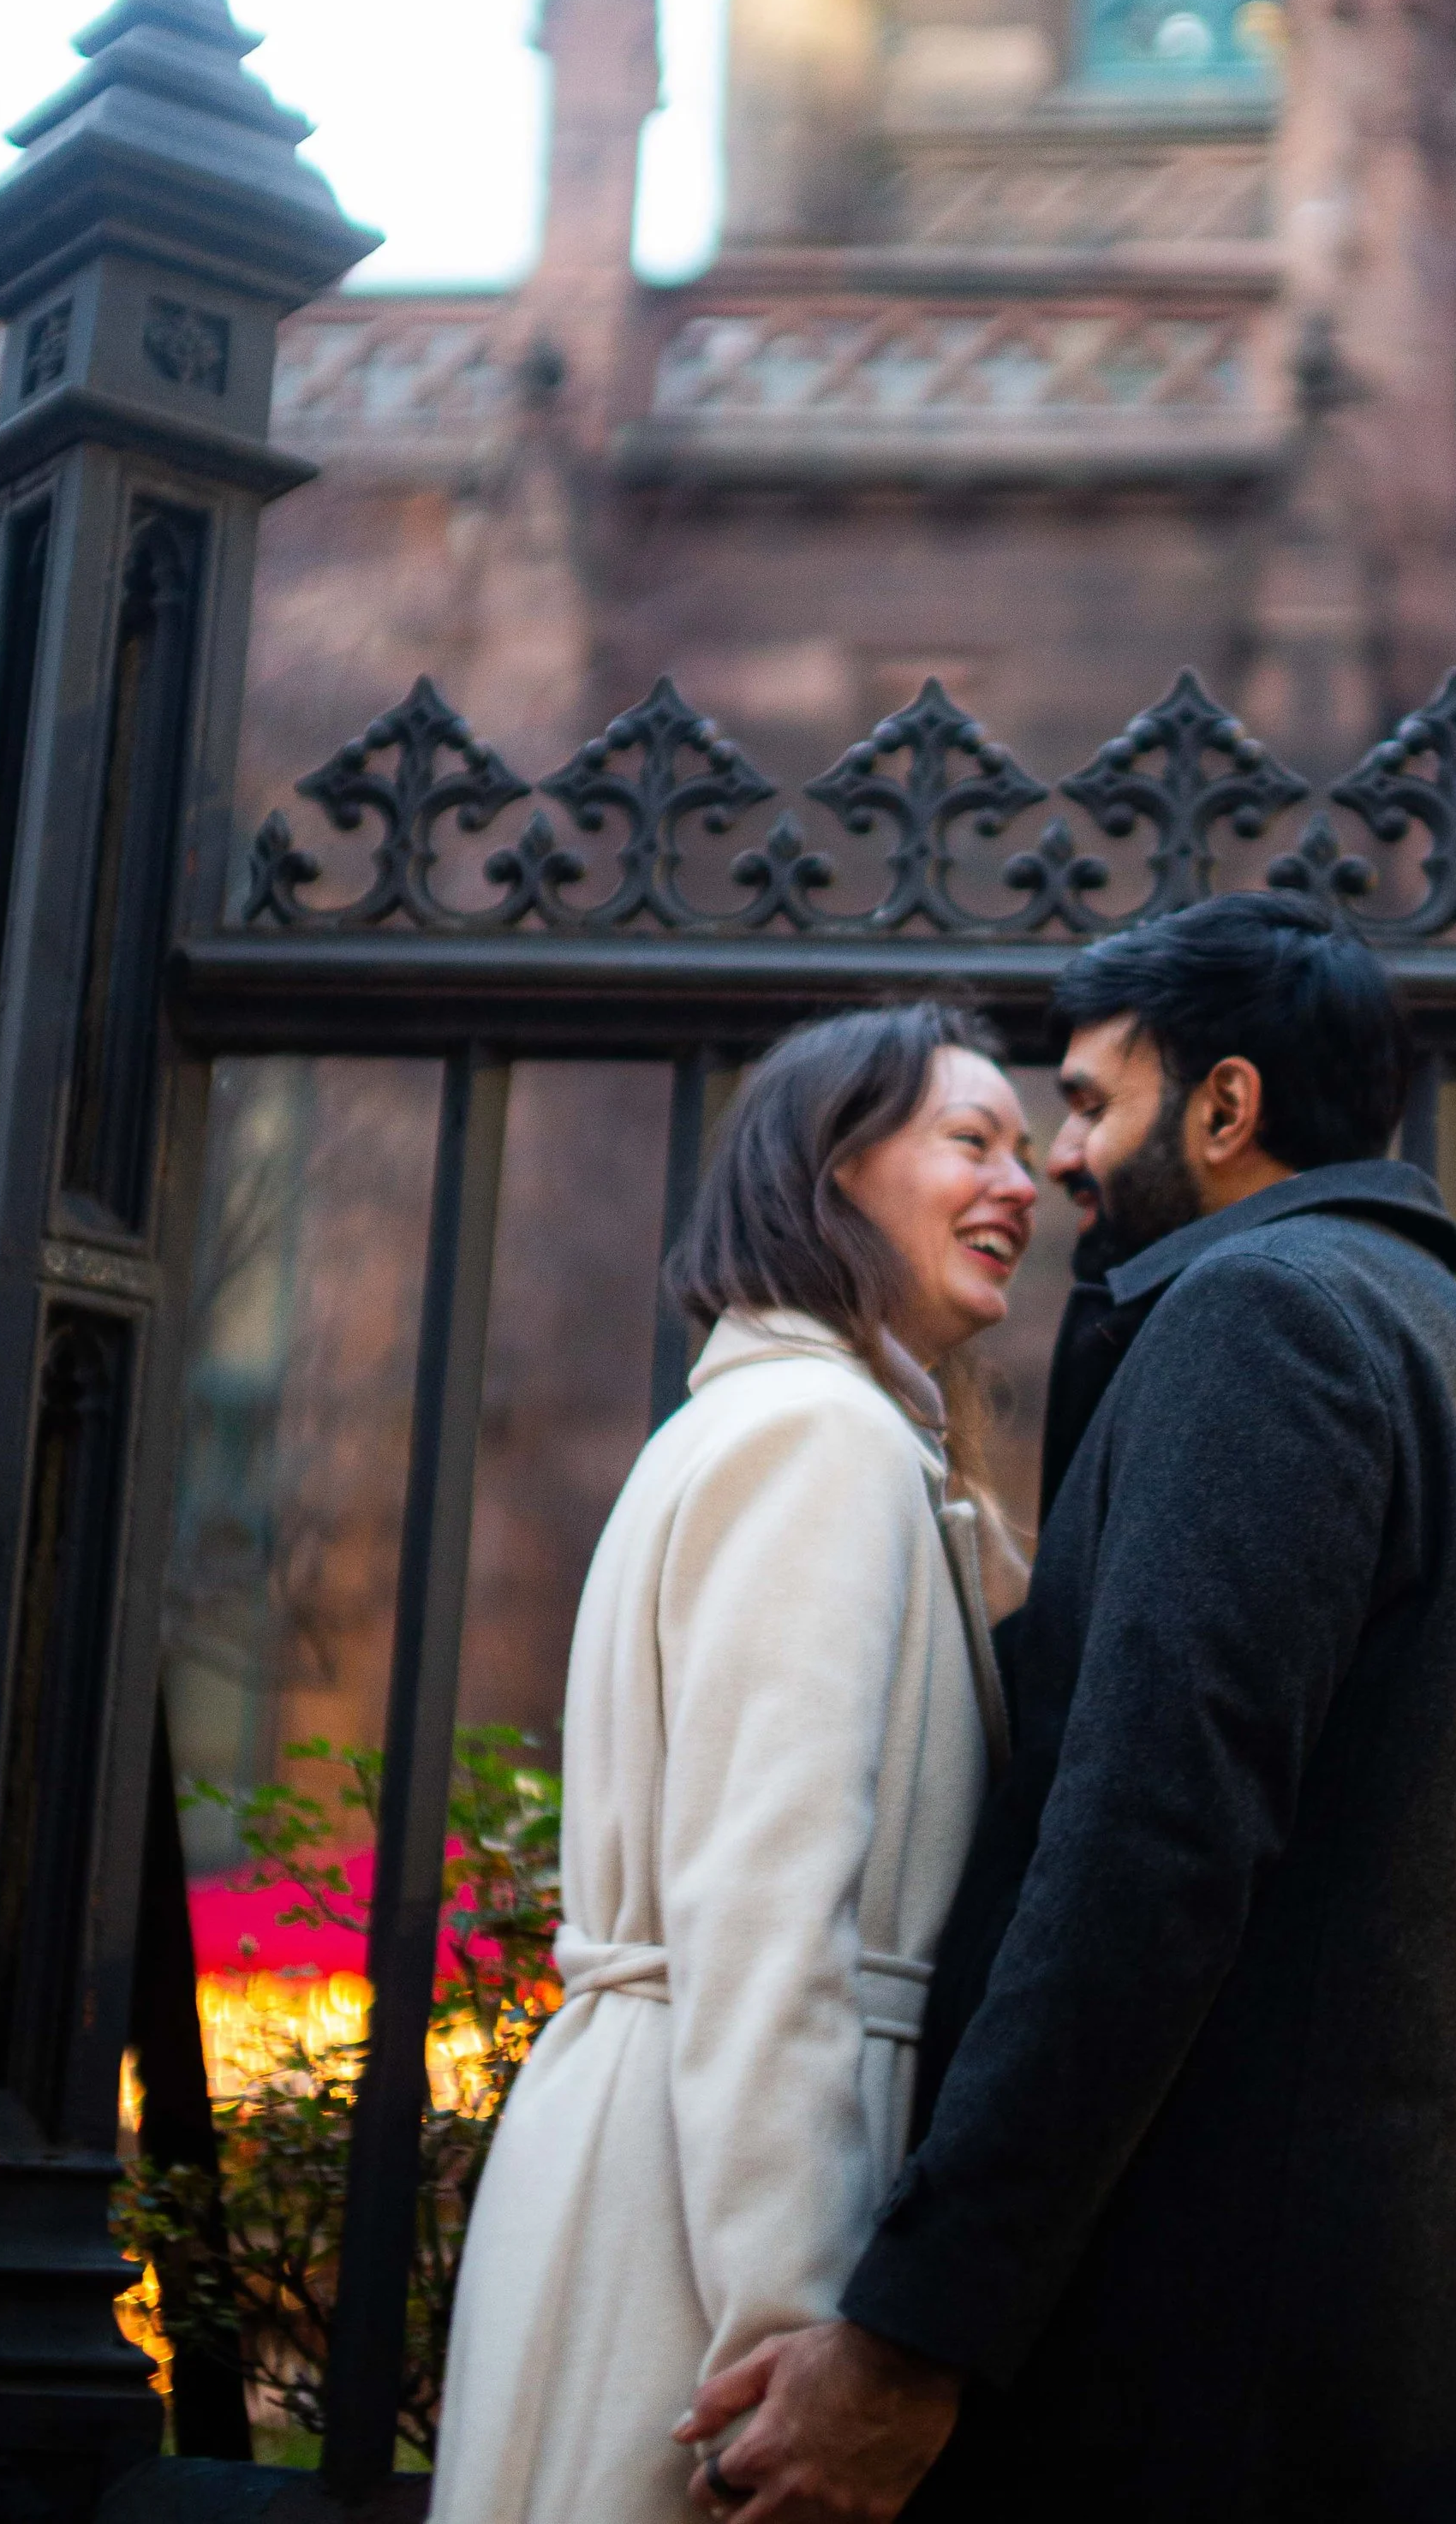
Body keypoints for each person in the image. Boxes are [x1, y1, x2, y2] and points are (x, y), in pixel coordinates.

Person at [680, 893, 1456, 2524]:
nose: (1064, 1158)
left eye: (1093, 1102)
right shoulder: (1455, 1350)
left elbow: (1145, 1855)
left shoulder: (1265, 1316)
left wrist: (914, 2333)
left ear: (1225, 1106)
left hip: (1201, 2376)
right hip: (1362, 2375)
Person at [429, 1003, 1037, 2524]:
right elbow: (766, 1913)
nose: (1022, 1183)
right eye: (971, 1138)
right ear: (834, 1174)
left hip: (670, 2171)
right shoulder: (820, 1438)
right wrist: (798, 2332)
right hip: (702, 2232)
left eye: (1027, 1147)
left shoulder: (810, 1423)